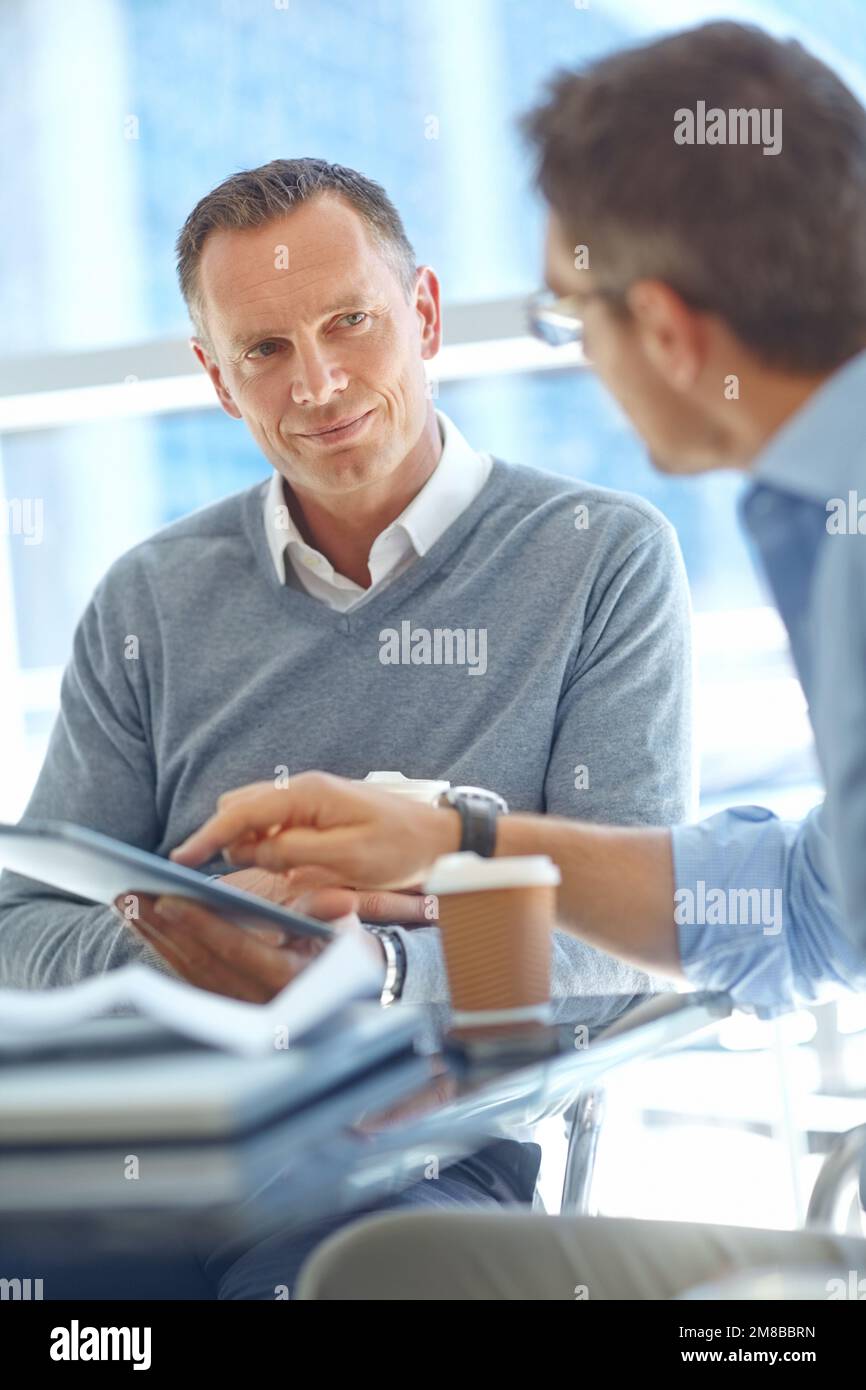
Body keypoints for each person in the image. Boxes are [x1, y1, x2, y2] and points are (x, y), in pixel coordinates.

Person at [172, 24, 866, 1298]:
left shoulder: (731, 535)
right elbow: (813, 910)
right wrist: (458, 837)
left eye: (568, 315)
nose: (576, 358)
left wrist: (398, 942)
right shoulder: (814, 511)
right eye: (263, 348)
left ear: (655, 324)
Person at [0, 158, 692, 1296]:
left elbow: (624, 939)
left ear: (420, 315)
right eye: (263, 349)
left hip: (417, 1152)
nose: (315, 383)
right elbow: (22, 926)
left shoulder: (598, 562)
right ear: (218, 379)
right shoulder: (151, 599)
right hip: (154, 1143)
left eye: (349, 323)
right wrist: (185, 960)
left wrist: (369, 971)